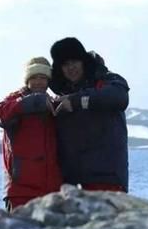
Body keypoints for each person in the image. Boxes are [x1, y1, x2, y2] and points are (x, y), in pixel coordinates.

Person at [49, 37, 129, 192]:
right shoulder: (61, 97)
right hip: (71, 183)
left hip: (107, 180)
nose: (71, 67)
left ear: (84, 61)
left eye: (75, 61)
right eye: (65, 64)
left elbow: (120, 97)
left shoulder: (108, 81)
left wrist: (77, 101)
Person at [0, 57, 62, 212]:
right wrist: (35, 101)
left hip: (52, 191)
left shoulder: (54, 104)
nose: (39, 82)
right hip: (21, 192)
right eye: (34, 78)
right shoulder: (13, 101)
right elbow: (3, 114)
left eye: (43, 78)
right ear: (27, 80)